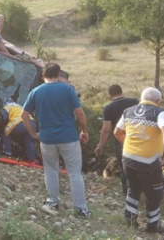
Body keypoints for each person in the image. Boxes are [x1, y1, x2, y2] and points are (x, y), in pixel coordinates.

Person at [21, 63, 91, 218]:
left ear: (42, 76)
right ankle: (80, 208)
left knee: (51, 170)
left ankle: (53, 201)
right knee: (74, 173)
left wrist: (33, 133)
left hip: (47, 138)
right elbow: (79, 113)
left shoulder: (36, 91)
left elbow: (24, 115)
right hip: (69, 137)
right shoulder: (67, 90)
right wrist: (84, 130)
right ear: (59, 75)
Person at [114, 87, 164, 234]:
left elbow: (117, 132)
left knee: (133, 188)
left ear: (141, 98)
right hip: (149, 161)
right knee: (154, 193)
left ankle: (130, 221)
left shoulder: (128, 111)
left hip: (128, 157)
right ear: (158, 101)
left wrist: (131, 145)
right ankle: (153, 226)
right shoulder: (160, 113)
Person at [94, 84, 139, 195]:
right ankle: (141, 193)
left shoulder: (109, 108)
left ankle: (127, 195)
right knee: (140, 167)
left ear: (110, 95)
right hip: (138, 139)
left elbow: (105, 130)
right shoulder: (134, 102)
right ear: (121, 91)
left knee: (125, 170)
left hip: (121, 140)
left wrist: (100, 145)